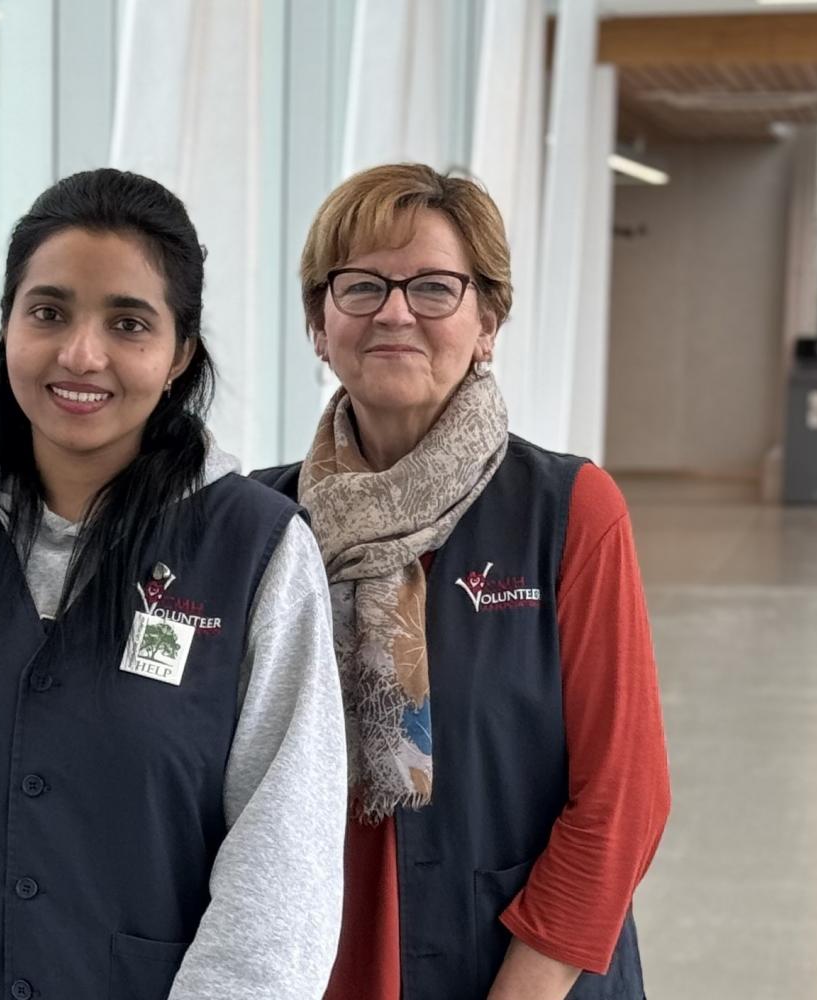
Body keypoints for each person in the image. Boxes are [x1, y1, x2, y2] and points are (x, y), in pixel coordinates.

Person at [0, 168, 347, 999]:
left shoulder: (256, 554)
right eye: (48, 312)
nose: (80, 354)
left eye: (128, 323)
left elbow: (283, 870)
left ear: (180, 355)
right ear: (9, 326)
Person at [252, 163, 671, 1000]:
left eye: (435, 288)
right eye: (362, 286)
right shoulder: (261, 525)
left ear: (487, 320)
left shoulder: (569, 512)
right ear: (318, 321)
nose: (396, 312)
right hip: (315, 962)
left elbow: (623, 793)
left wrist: (528, 984)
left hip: (520, 970)